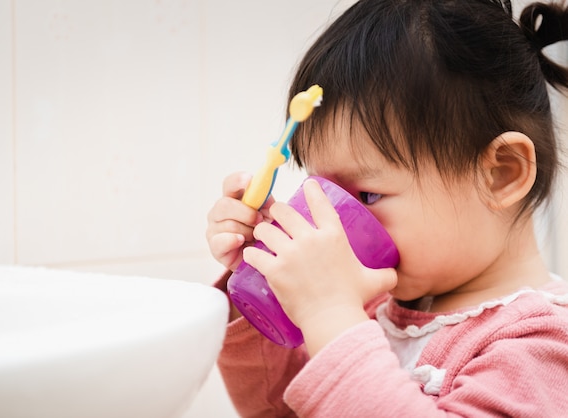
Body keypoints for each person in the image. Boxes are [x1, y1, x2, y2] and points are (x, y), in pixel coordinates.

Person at [205, 0, 568, 416]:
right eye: (324, 192)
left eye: (365, 197)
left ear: (501, 174)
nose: (336, 227)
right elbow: (276, 409)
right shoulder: (371, 305)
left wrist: (330, 313)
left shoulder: (543, 346)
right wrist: (260, 281)